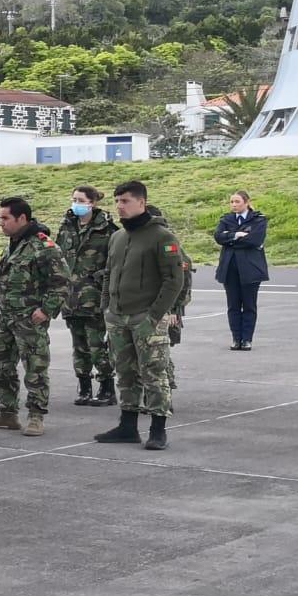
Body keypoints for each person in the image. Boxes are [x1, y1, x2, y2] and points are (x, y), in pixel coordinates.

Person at [94, 181, 186, 451]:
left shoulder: (161, 236)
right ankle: (128, 426)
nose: (119, 207)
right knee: (124, 372)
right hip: (118, 317)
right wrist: (106, 308)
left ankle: (158, 430)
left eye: (125, 201)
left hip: (145, 317)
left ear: (141, 203)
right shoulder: (117, 238)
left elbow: (174, 280)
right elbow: (108, 274)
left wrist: (154, 316)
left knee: (154, 374)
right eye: (117, 201)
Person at [0, 197, 69, 437]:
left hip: (30, 320)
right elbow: (6, 282)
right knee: (0, 364)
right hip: (7, 318)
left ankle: (36, 415)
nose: (1, 223)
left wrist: (46, 310)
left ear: (22, 219)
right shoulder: (13, 244)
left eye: (5, 218)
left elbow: (62, 282)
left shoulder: (43, 246)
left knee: (35, 367)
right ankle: (8, 412)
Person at [57, 186, 119, 407]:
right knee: (79, 345)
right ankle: (84, 386)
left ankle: (106, 387)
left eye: (80, 200)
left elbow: (116, 263)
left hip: (94, 298)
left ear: (92, 203)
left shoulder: (108, 231)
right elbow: (58, 258)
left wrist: (99, 279)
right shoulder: (67, 227)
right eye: (73, 199)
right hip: (71, 298)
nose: (75, 203)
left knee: (97, 345)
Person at [213, 190, 268, 351]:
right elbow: (218, 237)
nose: (234, 205)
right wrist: (236, 235)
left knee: (249, 305)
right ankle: (236, 338)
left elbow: (255, 240)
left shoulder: (258, 219)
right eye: (232, 202)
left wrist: (229, 240)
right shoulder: (226, 219)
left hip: (250, 269)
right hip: (229, 269)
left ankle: (247, 339)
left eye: (237, 202)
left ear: (246, 202)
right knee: (233, 306)